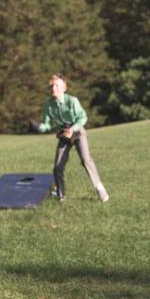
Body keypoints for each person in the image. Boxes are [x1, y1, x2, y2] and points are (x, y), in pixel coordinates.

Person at [36, 73, 109, 203]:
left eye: (57, 85)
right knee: (58, 167)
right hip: (63, 135)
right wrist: (38, 127)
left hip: (77, 132)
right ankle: (61, 195)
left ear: (64, 88)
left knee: (86, 160)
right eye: (52, 86)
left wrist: (72, 129)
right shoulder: (48, 105)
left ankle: (100, 189)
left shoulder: (72, 101)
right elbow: (47, 125)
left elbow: (83, 117)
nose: (54, 88)